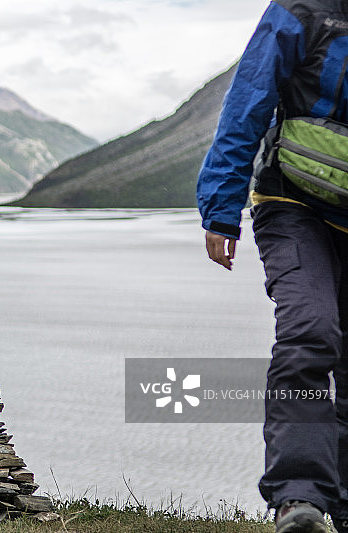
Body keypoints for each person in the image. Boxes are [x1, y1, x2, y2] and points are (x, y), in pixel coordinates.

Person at [198, 1, 348, 532]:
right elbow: (249, 99)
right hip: (293, 205)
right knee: (310, 330)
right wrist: (221, 207)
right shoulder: (305, 10)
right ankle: (299, 499)